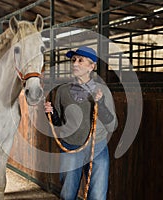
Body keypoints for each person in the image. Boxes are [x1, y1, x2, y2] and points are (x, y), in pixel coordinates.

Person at [44, 46, 117, 200]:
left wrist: (101, 105)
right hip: (70, 147)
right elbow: (59, 126)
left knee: (97, 196)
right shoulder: (62, 91)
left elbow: (112, 126)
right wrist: (52, 115)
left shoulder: (102, 91)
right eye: (74, 60)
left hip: (97, 148)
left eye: (81, 60)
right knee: (67, 195)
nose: (75, 64)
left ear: (92, 66)